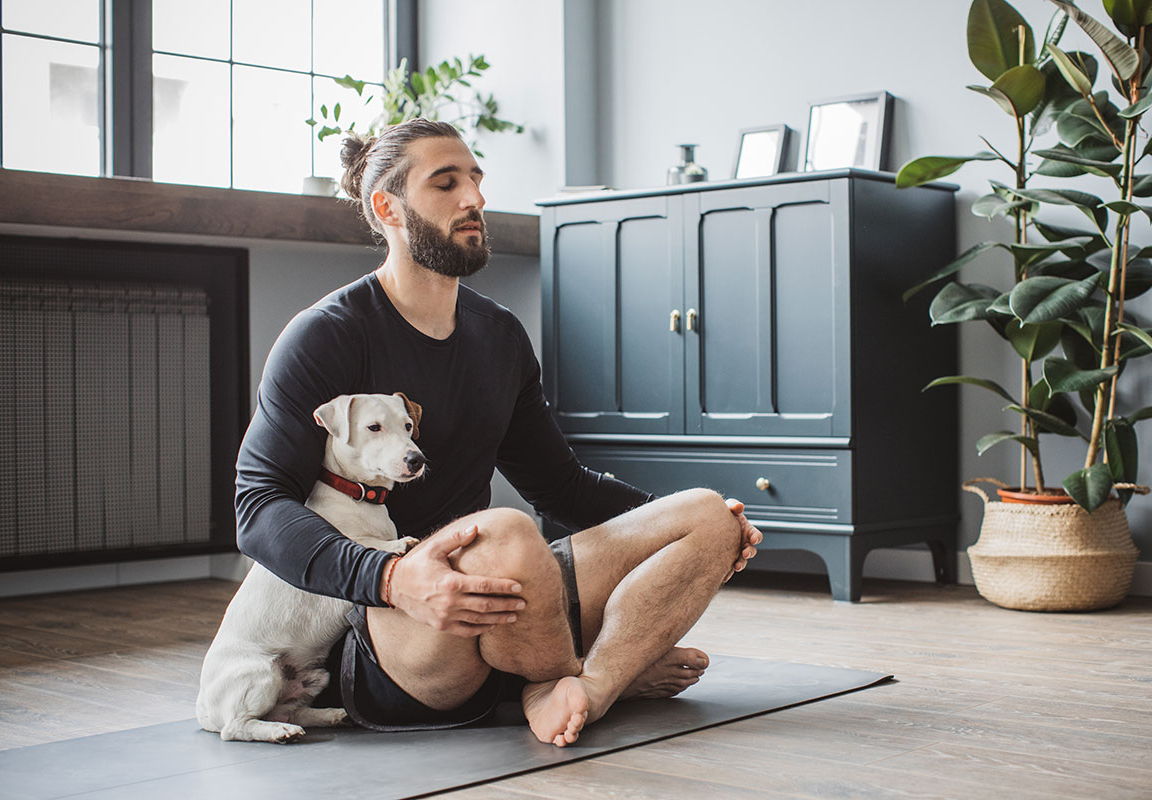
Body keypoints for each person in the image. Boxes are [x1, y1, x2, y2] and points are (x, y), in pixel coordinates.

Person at [234, 118, 762, 747]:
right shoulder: (326, 334)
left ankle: (585, 687)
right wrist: (391, 578)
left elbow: (562, 487)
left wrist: (676, 518)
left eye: (477, 181)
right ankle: (573, 673)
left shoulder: (500, 335)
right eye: (446, 183)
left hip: (507, 597)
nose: (474, 199)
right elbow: (259, 508)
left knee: (704, 513)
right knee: (507, 532)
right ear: (388, 208)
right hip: (391, 630)